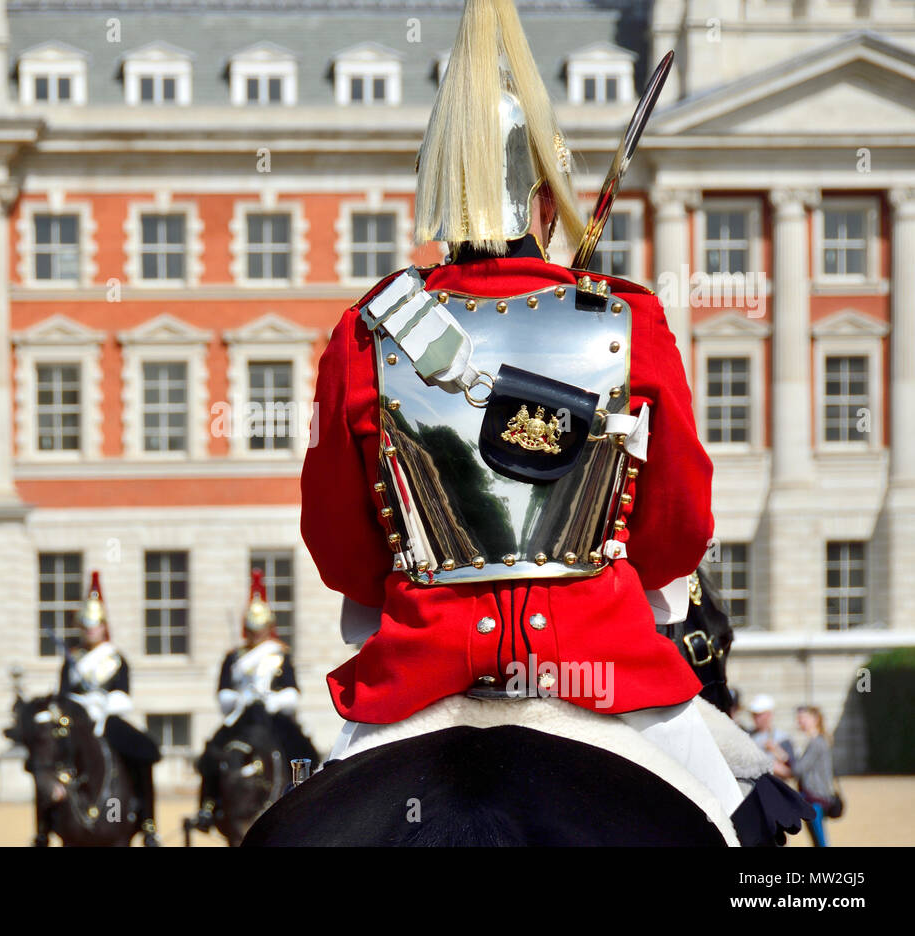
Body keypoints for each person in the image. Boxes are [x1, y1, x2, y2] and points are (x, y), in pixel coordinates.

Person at [293, 0, 815, 845]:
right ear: (545, 195)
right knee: (748, 827)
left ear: (437, 188)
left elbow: (338, 546)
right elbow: (679, 528)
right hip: (604, 667)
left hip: (414, 678)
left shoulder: (366, 333)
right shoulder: (626, 319)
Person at [192, 570, 318, 830]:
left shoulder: (280, 655)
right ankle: (207, 806)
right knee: (214, 750)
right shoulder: (234, 657)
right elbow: (223, 691)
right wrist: (240, 698)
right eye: (252, 629)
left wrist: (274, 700)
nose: (257, 634)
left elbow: (292, 691)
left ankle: (309, 797)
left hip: (272, 716)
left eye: (261, 629)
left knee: (303, 748)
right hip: (243, 714)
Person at [60, 571, 162, 846]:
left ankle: (148, 822)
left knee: (144, 751)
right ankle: (44, 826)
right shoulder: (72, 660)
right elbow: (63, 697)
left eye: (94, 625)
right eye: (86, 625)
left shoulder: (115, 659)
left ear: (104, 627)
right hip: (78, 723)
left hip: (108, 720)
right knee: (46, 761)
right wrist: (81, 705)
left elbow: (122, 694)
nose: (90, 630)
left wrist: (102, 705)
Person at [794, 706, 835, 847]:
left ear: (815, 719)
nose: (800, 721)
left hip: (815, 799)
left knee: (820, 842)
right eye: (799, 718)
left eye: (804, 717)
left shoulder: (816, 742)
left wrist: (779, 763)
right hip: (815, 798)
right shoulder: (818, 741)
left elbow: (798, 769)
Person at [749, 694, 795, 781]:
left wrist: (771, 764)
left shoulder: (783, 738)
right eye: (754, 715)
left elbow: (792, 772)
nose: (756, 718)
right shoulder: (747, 736)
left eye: (759, 715)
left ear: (769, 714)